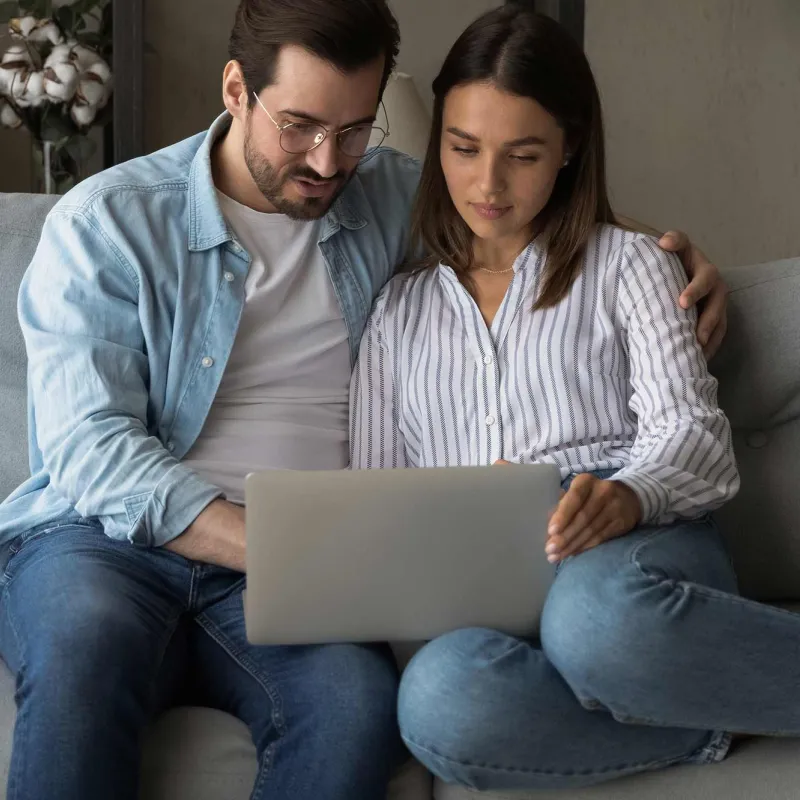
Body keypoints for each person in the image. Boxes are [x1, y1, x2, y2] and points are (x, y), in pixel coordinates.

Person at [0, 1, 725, 798]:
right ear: (236, 89)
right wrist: (270, 544)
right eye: (300, 125)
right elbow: (88, 448)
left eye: (354, 130)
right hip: (106, 547)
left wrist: (674, 255)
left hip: (302, 567)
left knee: (352, 705)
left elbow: (518, 205)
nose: (326, 160)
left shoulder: (388, 197)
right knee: (84, 647)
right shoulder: (108, 223)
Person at [351, 5, 800, 794]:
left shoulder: (629, 266)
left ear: (568, 151)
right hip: (486, 588)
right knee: (436, 699)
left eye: (522, 155)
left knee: (595, 621)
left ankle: (658, 670)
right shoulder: (397, 313)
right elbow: (381, 505)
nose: (487, 184)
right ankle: (702, 713)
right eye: (463, 149)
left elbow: (692, 434)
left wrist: (628, 495)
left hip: (631, 550)